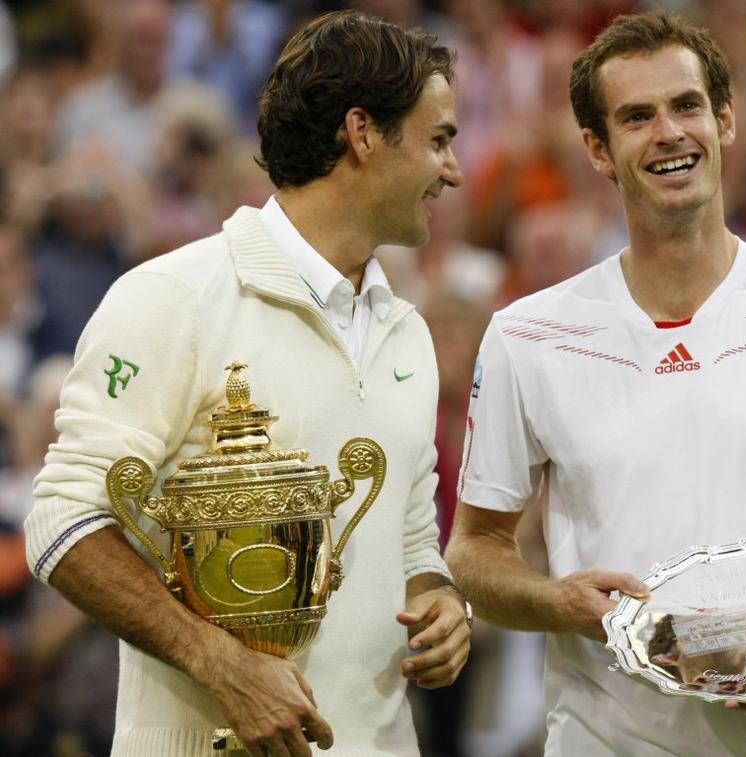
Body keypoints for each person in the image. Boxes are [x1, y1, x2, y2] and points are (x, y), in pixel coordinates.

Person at [445, 11, 746, 756]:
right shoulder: (525, 335)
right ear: (597, 149)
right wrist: (558, 602)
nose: (668, 133)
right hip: (604, 738)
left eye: (686, 106)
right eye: (636, 117)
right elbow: (473, 550)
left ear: (724, 120)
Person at [24, 10, 470, 757]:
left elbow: (412, 538)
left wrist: (437, 599)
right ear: (361, 133)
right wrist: (218, 661)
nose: (452, 169)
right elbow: (63, 518)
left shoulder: (410, 333)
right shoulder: (172, 296)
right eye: (437, 140)